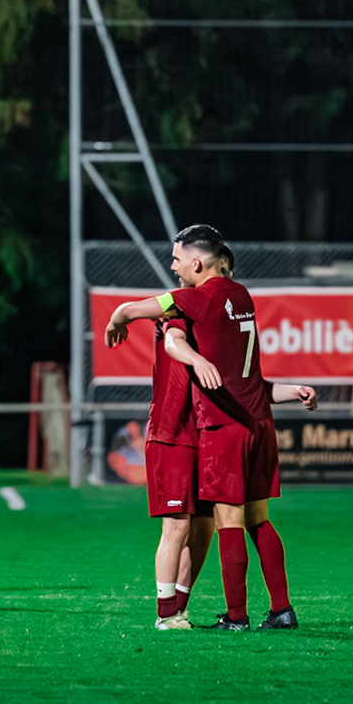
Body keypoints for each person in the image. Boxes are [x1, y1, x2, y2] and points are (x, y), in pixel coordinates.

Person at [104, 223, 300, 630]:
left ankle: (234, 616)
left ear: (196, 262)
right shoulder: (241, 296)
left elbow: (145, 320)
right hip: (257, 419)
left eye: (176, 259)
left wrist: (119, 319)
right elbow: (237, 371)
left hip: (222, 427)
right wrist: (292, 390)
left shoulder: (193, 300)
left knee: (224, 523)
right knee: (257, 519)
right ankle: (281, 610)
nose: (172, 266)